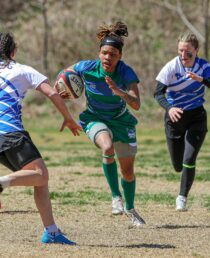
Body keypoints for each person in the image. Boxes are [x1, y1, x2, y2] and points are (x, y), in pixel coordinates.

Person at [59, 21, 145, 226]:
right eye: (104, 53)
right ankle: (116, 197)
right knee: (107, 146)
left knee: (128, 172)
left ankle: (130, 208)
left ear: (120, 56)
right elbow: (64, 75)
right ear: (99, 53)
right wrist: (62, 88)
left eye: (113, 54)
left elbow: (137, 104)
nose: (108, 57)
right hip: (94, 118)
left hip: (122, 122)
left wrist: (120, 92)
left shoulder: (126, 73)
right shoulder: (86, 67)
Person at [0, 32, 82, 244]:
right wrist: (69, 119)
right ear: (14, 51)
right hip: (9, 134)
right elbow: (52, 93)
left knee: (38, 178)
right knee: (40, 174)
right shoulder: (22, 70)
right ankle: (2, 183)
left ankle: (52, 232)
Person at [154, 33, 210, 211]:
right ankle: (181, 175)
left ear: (196, 50)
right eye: (181, 50)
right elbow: (158, 93)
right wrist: (169, 108)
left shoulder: (204, 66)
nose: (184, 55)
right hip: (175, 118)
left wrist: (202, 80)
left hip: (197, 116)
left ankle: (182, 197)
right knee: (177, 165)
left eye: (188, 52)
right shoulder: (171, 67)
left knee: (189, 159)